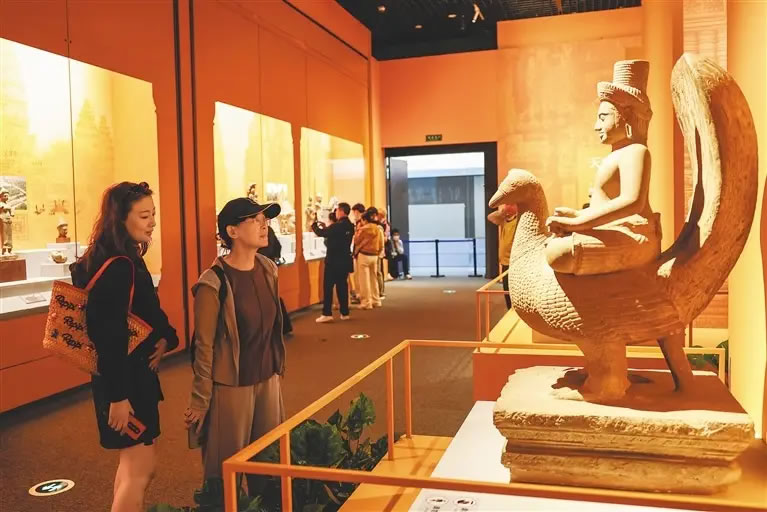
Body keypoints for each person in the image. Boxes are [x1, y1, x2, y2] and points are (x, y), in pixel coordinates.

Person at [70, 181, 178, 512]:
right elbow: (110, 335)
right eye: (144, 216)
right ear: (120, 218)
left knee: (132, 465)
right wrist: (118, 397)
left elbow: (147, 314)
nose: (152, 222)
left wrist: (166, 336)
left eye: (153, 214)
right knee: (140, 468)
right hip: (126, 381)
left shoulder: (118, 257)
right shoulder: (119, 265)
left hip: (125, 377)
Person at [185, 197, 286, 495]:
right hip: (231, 386)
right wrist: (200, 399)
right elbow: (204, 346)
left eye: (265, 219)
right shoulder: (212, 282)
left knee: (270, 466)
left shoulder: (268, 268)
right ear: (232, 231)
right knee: (225, 473)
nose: (264, 225)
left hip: (268, 379)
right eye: (255, 220)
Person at [545, 60, 660, 275]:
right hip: (618, 229)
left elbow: (632, 202)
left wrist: (579, 224)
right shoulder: (618, 154)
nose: (596, 126)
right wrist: (576, 215)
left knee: (559, 253)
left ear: (626, 116)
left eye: (603, 117)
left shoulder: (636, 151)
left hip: (635, 235)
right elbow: (607, 203)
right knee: (552, 245)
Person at [312, 202, 354, 323]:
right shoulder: (350, 226)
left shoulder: (337, 226)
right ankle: (344, 312)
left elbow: (322, 233)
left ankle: (327, 313)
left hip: (333, 261)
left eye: (337, 211)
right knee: (342, 286)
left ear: (341, 211)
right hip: (344, 260)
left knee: (328, 287)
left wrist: (314, 226)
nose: (335, 213)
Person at [258, 225, 293, 336]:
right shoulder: (268, 229)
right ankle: (284, 326)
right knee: (273, 296)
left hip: (258, 266)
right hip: (270, 266)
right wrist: (274, 259)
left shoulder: (253, 231)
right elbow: (278, 246)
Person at [488, 204, 518, 310]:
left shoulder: (518, 221)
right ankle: (509, 310)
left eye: (510, 205)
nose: (506, 206)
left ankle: (516, 311)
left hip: (514, 263)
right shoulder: (504, 221)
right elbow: (491, 217)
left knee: (514, 291)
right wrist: (503, 212)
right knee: (506, 290)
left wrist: (513, 210)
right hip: (505, 262)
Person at [353, 209, 384, 309]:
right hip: (374, 256)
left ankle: (366, 302)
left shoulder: (363, 229)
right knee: (373, 279)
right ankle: (376, 300)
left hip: (364, 255)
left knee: (364, 280)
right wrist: (378, 252)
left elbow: (356, 241)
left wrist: (357, 230)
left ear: (364, 220)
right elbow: (381, 243)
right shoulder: (378, 229)